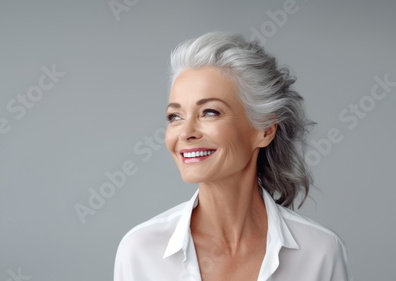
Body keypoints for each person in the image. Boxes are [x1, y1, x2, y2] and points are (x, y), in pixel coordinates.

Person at [113, 32, 350, 281]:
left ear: (265, 130)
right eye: (175, 116)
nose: (186, 133)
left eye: (210, 112)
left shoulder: (321, 252)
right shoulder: (140, 252)